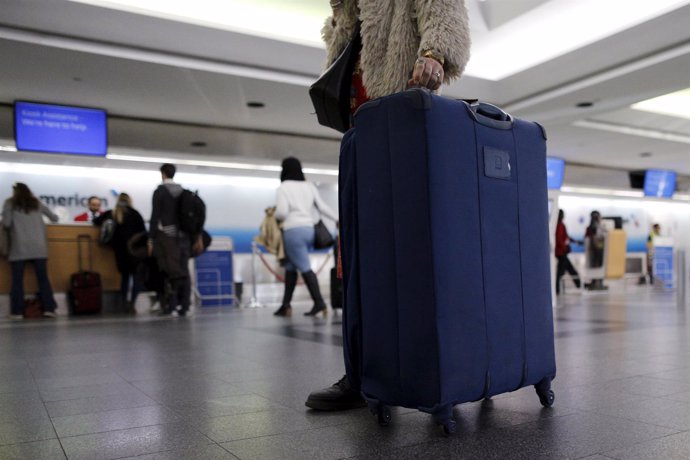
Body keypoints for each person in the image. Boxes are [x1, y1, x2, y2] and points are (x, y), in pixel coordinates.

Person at [306, 0, 471, 411]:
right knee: (359, 257)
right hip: (360, 125)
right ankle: (362, 374)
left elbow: (442, 7)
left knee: (408, 253)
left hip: (398, 112)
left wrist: (435, 52)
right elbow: (345, 41)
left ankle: (422, 369)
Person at [273, 157, 338, 317]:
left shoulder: (284, 187)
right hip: (309, 230)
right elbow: (322, 207)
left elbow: (281, 213)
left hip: (293, 232)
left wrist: (273, 214)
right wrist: (337, 219)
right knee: (290, 267)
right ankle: (285, 305)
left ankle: (320, 303)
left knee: (304, 267)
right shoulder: (309, 186)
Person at [2, 183, 59, 319]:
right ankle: (49, 309)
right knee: (43, 279)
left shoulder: (9, 203)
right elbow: (54, 218)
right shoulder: (37, 203)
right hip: (39, 247)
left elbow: (7, 223)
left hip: (19, 247)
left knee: (17, 280)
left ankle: (17, 312)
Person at [148, 163, 192, 316]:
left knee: (169, 271)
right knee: (184, 271)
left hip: (167, 238)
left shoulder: (159, 192)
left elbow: (155, 216)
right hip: (184, 238)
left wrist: (151, 239)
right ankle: (185, 305)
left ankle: (171, 305)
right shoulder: (183, 192)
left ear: (163, 174)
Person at [93, 193, 146, 314]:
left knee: (125, 278)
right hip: (134, 251)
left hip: (120, 252)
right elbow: (143, 232)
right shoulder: (135, 214)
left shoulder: (112, 213)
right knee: (136, 278)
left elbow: (96, 221)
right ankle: (132, 303)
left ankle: (123, 304)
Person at [555, 209, 582, 295]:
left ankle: (579, 284)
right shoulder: (559, 225)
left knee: (569, 270)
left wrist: (575, 241)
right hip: (561, 252)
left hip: (562, 252)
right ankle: (558, 289)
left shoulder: (560, 225)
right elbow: (559, 239)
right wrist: (564, 248)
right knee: (562, 272)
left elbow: (566, 237)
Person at [585, 210, 607, 291]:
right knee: (598, 265)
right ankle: (598, 283)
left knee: (594, 266)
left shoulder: (591, 227)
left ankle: (594, 282)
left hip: (594, 250)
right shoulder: (597, 227)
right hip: (598, 250)